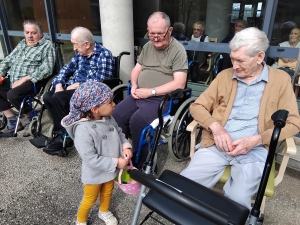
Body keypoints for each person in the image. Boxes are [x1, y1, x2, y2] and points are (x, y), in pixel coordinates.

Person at [180, 27, 300, 211]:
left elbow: (293, 123)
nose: (234, 65)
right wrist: (216, 128)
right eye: (232, 58)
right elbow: (197, 106)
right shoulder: (224, 76)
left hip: (255, 150)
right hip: (216, 144)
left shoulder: (280, 80)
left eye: (240, 60)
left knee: (237, 199)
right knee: (185, 186)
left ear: (259, 57)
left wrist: (258, 139)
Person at [112, 11, 188, 169]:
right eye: (151, 33)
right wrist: (133, 84)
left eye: (160, 33)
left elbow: (179, 84)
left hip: (161, 99)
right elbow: (136, 69)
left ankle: (140, 163)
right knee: (116, 115)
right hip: (139, 94)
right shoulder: (147, 47)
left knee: (137, 121)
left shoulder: (178, 50)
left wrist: (151, 91)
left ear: (170, 30)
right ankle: (122, 154)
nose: (155, 37)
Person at [61, 80, 132, 225]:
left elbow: (119, 132)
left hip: (111, 168)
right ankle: (80, 221)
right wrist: (117, 162)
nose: (114, 104)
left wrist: (125, 146)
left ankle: (104, 211)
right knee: (89, 199)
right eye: (110, 102)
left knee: (107, 192)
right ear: (95, 109)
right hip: (94, 173)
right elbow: (90, 158)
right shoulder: (83, 130)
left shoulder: (108, 118)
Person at [41, 26, 115, 153]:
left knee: (58, 97)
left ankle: (64, 135)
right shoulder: (79, 55)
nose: (74, 48)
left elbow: (100, 82)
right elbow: (65, 70)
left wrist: (79, 85)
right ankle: (64, 129)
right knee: (48, 96)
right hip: (72, 87)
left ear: (87, 44)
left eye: (76, 44)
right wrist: (59, 83)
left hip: (89, 92)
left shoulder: (104, 55)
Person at [0, 20, 55, 137]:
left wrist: (24, 79)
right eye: (27, 32)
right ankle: (13, 120)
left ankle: (29, 116)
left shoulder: (47, 46)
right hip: (13, 78)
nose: (30, 36)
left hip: (33, 81)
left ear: (41, 34)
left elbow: (47, 68)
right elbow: (8, 60)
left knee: (12, 95)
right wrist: (1, 73)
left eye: (33, 33)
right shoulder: (22, 44)